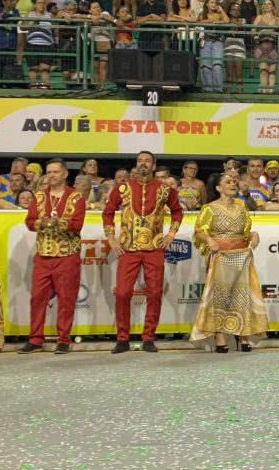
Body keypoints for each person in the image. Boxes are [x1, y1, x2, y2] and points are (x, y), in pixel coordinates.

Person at [101, 150, 184, 354]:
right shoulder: (122, 188)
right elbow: (108, 212)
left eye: (147, 161)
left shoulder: (164, 189)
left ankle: (148, 337)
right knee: (122, 292)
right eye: (140, 161)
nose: (143, 164)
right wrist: (111, 237)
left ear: (154, 166)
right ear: (136, 164)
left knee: (154, 293)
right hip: (128, 247)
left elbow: (177, 211)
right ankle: (122, 338)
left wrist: (171, 234)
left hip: (154, 247)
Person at [191, 172, 267, 352]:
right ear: (218, 188)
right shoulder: (210, 208)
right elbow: (199, 231)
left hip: (240, 257)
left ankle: (242, 334)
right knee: (219, 297)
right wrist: (209, 240)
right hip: (220, 257)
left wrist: (254, 234)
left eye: (234, 181)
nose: (233, 184)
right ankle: (219, 335)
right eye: (228, 182)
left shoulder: (241, 208)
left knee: (241, 296)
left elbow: (245, 233)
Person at [18, 158, 85, 354]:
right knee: (37, 298)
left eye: (56, 171)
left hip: (67, 255)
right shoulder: (38, 196)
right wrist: (44, 222)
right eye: (49, 172)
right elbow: (29, 222)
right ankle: (35, 338)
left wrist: (58, 223)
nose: (52, 175)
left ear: (65, 174)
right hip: (44, 255)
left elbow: (77, 224)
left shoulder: (76, 197)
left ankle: (63, 339)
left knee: (66, 299)